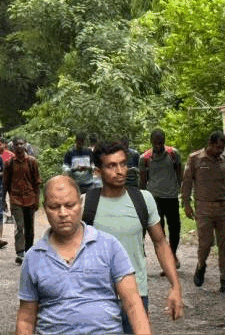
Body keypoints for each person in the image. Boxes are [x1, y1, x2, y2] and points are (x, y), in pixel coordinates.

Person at [16, 175, 151, 335]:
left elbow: (133, 304)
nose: (63, 213)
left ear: (81, 204)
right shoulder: (34, 257)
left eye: (70, 205)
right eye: (54, 207)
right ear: (45, 208)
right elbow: (26, 318)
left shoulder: (109, 245)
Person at [85, 142, 183, 332]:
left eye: (123, 164)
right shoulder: (85, 204)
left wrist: (175, 287)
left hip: (137, 294)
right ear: (98, 171)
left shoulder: (143, 199)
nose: (120, 171)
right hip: (96, 296)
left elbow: (161, 243)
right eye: (111, 165)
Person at [182, 129, 225, 293]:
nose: (220, 151)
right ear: (210, 144)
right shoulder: (195, 159)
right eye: (218, 147)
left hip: (223, 208)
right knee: (205, 243)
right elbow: (187, 183)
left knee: (224, 246)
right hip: (204, 208)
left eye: (222, 147)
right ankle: (201, 265)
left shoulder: (224, 161)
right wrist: (186, 203)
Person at [139, 128, 182, 269]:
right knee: (159, 229)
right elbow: (143, 181)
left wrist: (180, 189)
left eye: (161, 142)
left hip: (171, 196)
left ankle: (173, 254)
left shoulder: (173, 154)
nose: (158, 145)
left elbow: (179, 173)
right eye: (156, 142)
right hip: (154, 198)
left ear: (164, 140)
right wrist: (142, 198)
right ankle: (167, 260)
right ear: (151, 141)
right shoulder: (145, 158)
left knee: (175, 228)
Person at [4, 137, 42, 265]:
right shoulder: (9, 164)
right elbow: (5, 183)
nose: (19, 146)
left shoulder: (32, 162)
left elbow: (37, 182)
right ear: (13, 147)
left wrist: (37, 199)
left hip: (30, 198)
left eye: (21, 144)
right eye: (17, 144)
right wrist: (3, 200)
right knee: (19, 227)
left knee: (29, 227)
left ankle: (29, 251)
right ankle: (20, 253)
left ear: (25, 145)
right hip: (16, 200)